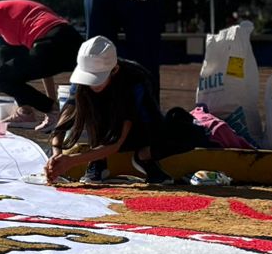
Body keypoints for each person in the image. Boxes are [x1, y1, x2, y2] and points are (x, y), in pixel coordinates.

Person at [45, 35, 200, 186]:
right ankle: (98, 161)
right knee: (88, 103)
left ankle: (144, 157)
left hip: (138, 132)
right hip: (101, 133)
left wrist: (71, 161)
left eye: (97, 79)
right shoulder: (82, 84)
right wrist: (56, 156)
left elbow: (116, 142)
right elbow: (64, 119)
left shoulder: (133, 80)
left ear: (114, 70)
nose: (92, 84)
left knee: (192, 132)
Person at [0, 0, 82, 132]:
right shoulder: (15, 17)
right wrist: (51, 104)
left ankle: (48, 112)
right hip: (70, 40)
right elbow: (44, 68)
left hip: (52, 42)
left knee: (0, 78)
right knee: (9, 61)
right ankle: (28, 113)